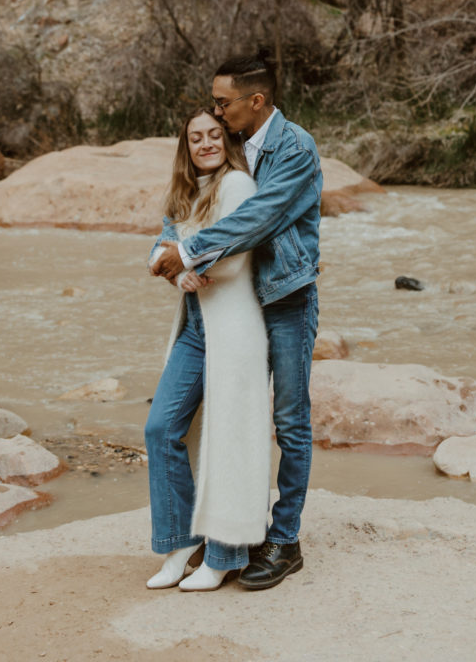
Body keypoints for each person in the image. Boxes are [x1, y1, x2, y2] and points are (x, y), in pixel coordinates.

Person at [152, 54, 322, 591]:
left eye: (223, 103)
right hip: (233, 302)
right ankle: (216, 533)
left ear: (257, 100)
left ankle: (284, 537)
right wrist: (173, 260)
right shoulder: (235, 148)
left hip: (286, 297)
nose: (217, 115)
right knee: (208, 422)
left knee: (289, 422)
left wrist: (189, 253)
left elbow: (259, 216)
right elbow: (182, 217)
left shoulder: (293, 146)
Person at [144, 107, 271, 592]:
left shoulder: (237, 185)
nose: (205, 144)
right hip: (196, 328)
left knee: (228, 438)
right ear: (186, 146)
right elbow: (157, 250)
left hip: (234, 329)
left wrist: (184, 260)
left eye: (214, 135)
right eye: (196, 137)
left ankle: (223, 556)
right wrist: (175, 267)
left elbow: (237, 258)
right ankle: (181, 544)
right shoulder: (183, 194)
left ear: (226, 140)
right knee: (161, 429)